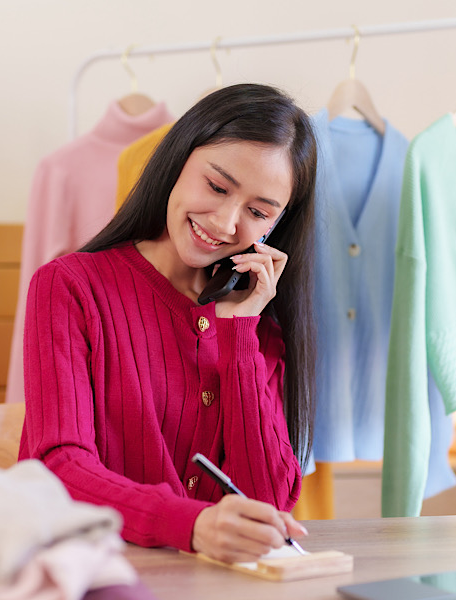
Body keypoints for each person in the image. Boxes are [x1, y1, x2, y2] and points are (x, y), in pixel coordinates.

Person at [18, 84, 318, 563]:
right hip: (94, 576)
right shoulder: (69, 286)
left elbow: (268, 507)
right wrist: (191, 524)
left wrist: (240, 336)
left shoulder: (256, 325)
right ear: (177, 160)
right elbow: (59, 468)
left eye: (258, 212)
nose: (225, 223)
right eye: (217, 187)